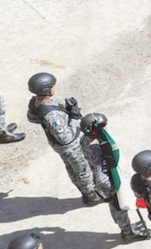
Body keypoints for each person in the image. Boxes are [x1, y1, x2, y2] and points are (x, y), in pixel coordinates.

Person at [27, 72, 102, 201]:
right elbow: (65, 137)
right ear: (46, 90)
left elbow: (32, 118)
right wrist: (73, 118)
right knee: (82, 171)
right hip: (70, 147)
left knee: (72, 168)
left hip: (58, 145)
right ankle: (91, 196)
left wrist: (67, 111)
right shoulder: (52, 115)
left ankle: (85, 192)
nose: (54, 88)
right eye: (52, 86)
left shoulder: (35, 102)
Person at [80, 113, 151, 243]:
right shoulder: (96, 145)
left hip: (106, 177)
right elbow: (101, 173)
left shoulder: (85, 140)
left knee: (118, 208)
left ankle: (127, 228)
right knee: (119, 209)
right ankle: (128, 233)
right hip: (108, 182)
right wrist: (115, 188)